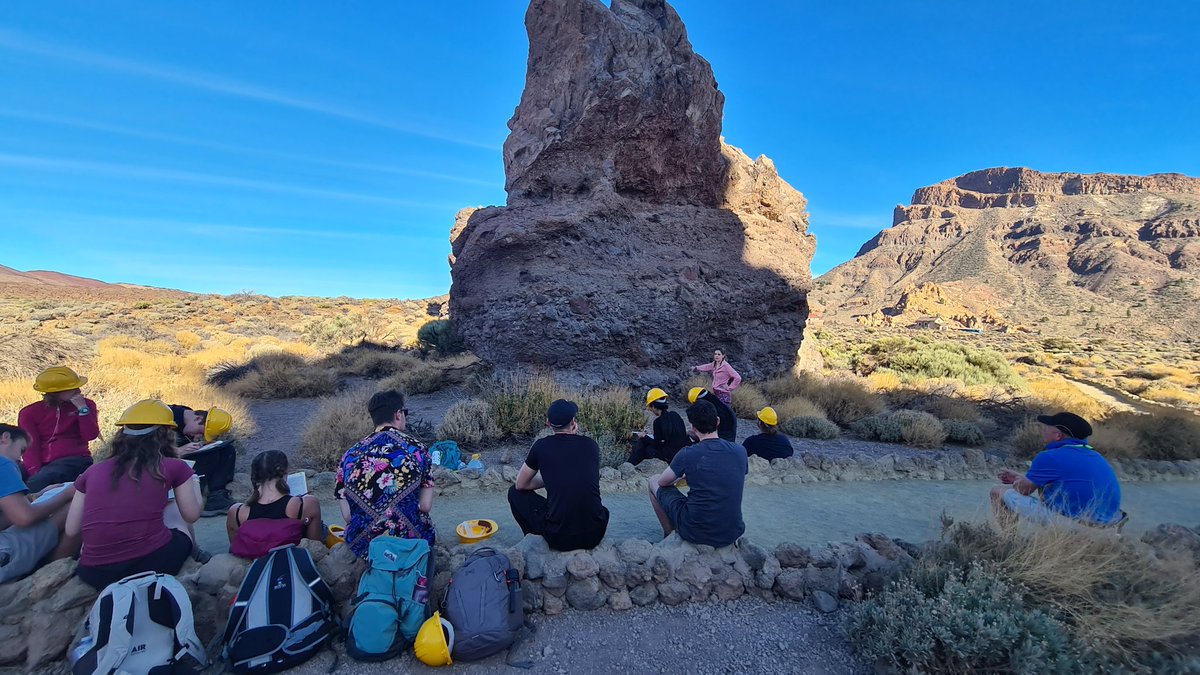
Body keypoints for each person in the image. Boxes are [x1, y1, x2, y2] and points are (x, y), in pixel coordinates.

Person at [67, 400, 202, 590]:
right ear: (165, 434)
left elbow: (72, 529)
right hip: (150, 563)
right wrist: (194, 482)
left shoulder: (93, 471)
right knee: (174, 513)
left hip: (94, 572)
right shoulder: (173, 466)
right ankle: (196, 556)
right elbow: (192, 514)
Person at [335, 390, 435, 560]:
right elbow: (425, 506)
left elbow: (348, 516)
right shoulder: (417, 450)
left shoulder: (349, 456)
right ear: (398, 414)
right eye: (405, 412)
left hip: (365, 546)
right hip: (409, 541)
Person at [508, 399, 609, 551]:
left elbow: (520, 485)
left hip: (560, 539)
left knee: (514, 492)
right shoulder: (591, 445)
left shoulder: (541, 446)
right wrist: (552, 477)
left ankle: (532, 537)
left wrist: (550, 478)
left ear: (548, 423)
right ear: (573, 422)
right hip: (595, 534)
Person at [991, 412, 1122, 528]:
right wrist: (1023, 478)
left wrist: (1019, 481)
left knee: (998, 492)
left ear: (1058, 435)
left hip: (1078, 525)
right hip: (1108, 525)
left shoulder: (1050, 456)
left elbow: (1024, 490)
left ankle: (1008, 541)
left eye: (1048, 427)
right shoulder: (1096, 456)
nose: (1044, 430)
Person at [648, 400, 747, 548]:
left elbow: (663, 483)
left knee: (653, 481)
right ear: (717, 421)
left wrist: (684, 475)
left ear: (693, 427)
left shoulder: (688, 454)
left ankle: (669, 536)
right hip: (732, 532)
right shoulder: (740, 451)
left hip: (695, 532)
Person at [0, 424, 79, 583]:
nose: (20, 459)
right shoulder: (3, 463)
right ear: (5, 438)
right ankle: (52, 578)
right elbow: (25, 518)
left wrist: (35, 497)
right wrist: (67, 493)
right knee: (79, 503)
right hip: (4, 553)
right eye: (21, 450)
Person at [227, 450, 323, 558]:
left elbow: (237, 550)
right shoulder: (306, 504)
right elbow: (315, 547)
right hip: (291, 565)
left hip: (257, 570)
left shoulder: (236, 512)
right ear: (285, 473)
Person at [18, 366, 99, 492]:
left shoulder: (87, 405)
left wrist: (83, 410)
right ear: (56, 392)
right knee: (10, 477)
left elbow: (90, 435)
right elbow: (30, 445)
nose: (78, 390)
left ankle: (23, 508)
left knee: (37, 483)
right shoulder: (29, 412)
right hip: (43, 462)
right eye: (72, 389)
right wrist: (34, 470)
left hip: (74, 459)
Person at [169, 405, 236, 516]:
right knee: (209, 456)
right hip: (161, 464)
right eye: (201, 432)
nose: (197, 437)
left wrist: (201, 445)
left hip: (178, 461)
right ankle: (192, 499)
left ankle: (216, 497)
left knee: (227, 450)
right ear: (198, 418)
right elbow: (146, 451)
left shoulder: (187, 417)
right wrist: (178, 451)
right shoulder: (166, 417)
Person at [628, 388, 691, 465]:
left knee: (643, 443)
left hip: (670, 457)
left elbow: (656, 445)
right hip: (681, 452)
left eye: (650, 407)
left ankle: (631, 464)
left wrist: (644, 436)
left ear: (653, 406)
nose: (650, 410)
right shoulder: (675, 415)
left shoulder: (658, 422)